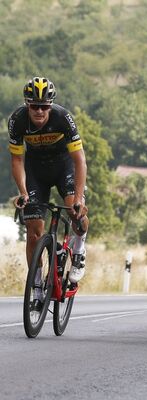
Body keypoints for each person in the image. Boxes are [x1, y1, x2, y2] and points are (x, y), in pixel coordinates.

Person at [8, 77, 89, 310]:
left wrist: (80, 198)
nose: (40, 111)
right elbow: (17, 159)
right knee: (34, 228)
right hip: (36, 171)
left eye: (45, 106)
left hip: (64, 167)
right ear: (27, 105)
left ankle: (79, 248)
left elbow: (80, 160)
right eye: (35, 106)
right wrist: (23, 192)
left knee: (77, 212)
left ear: (51, 105)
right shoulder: (17, 120)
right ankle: (35, 286)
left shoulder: (63, 118)